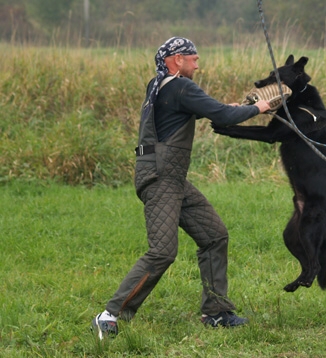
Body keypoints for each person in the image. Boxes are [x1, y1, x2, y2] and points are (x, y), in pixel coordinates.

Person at [91, 37, 271, 339]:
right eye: (194, 58)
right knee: (162, 251)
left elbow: (214, 109)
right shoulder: (180, 87)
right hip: (163, 180)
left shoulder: (160, 86)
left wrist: (244, 107)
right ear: (177, 60)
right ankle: (110, 315)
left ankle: (216, 313)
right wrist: (260, 107)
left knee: (214, 235)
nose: (198, 64)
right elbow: (223, 115)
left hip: (167, 177)